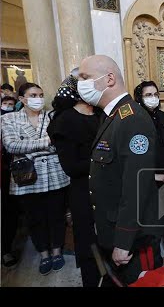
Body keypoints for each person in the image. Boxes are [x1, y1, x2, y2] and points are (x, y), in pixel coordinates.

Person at [78, 55, 162, 285]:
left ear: (110, 79)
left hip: (134, 239)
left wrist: (124, 241)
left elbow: (137, 187)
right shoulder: (113, 116)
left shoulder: (132, 119)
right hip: (112, 228)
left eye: (85, 77)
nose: (80, 84)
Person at [1, 83, 70, 276]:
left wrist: (29, 146)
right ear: (22, 98)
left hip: (54, 174)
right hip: (27, 176)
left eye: (40, 94)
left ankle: (57, 251)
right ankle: (44, 254)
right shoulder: (9, 119)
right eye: (33, 95)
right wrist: (46, 142)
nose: (38, 98)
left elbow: (60, 145)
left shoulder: (52, 116)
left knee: (56, 216)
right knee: (35, 218)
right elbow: (11, 145)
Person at [47, 73, 101, 287]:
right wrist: (104, 160)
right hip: (83, 191)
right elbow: (71, 167)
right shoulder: (65, 120)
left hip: (108, 189)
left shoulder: (100, 113)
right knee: (89, 246)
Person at [134, 81, 164, 261]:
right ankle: (154, 253)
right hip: (147, 178)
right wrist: (156, 176)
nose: (153, 98)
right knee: (152, 219)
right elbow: (132, 159)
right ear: (139, 98)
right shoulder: (134, 122)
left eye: (155, 94)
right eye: (148, 95)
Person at [1, 95, 20, 269]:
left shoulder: (10, 120)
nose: (8, 107)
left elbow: (12, 145)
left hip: (6, 174)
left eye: (11, 104)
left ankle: (6, 249)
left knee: (8, 215)